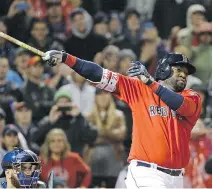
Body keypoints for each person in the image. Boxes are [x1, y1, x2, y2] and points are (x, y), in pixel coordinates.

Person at [42, 50, 201, 188]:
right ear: (165, 70)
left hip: (177, 178)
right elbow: (99, 74)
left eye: (186, 73)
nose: (183, 75)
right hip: (147, 173)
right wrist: (65, 57)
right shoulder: (139, 89)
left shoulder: (192, 97)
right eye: (178, 70)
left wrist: (151, 83)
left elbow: (180, 105)